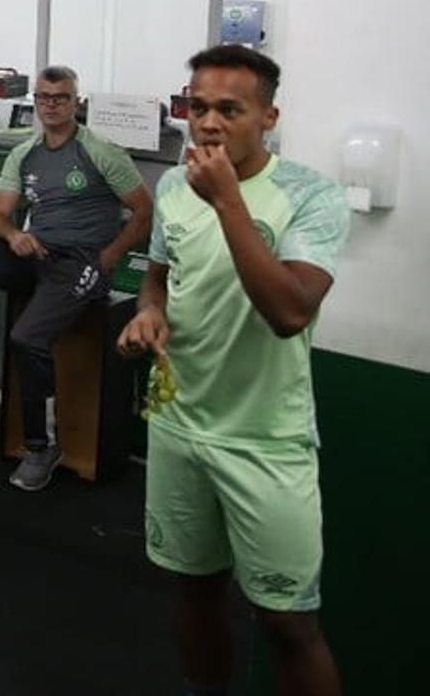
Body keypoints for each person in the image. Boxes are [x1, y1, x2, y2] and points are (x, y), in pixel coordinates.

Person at [117, 45, 347, 696]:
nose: (208, 122)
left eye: (229, 109)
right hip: (181, 425)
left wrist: (227, 202)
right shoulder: (171, 184)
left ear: (268, 117)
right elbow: (157, 281)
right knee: (196, 591)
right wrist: (150, 314)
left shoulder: (310, 196)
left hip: (266, 440)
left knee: (288, 624)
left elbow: (289, 312)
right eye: (197, 106)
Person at [0, 64, 153, 492]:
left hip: (80, 264)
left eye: (61, 98)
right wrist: (15, 235)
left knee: (26, 338)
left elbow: (144, 211)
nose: (52, 106)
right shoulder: (26, 154)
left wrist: (110, 257)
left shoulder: (100, 152)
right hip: (38, 253)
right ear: (35, 102)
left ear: (76, 103)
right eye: (44, 98)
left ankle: (43, 446)